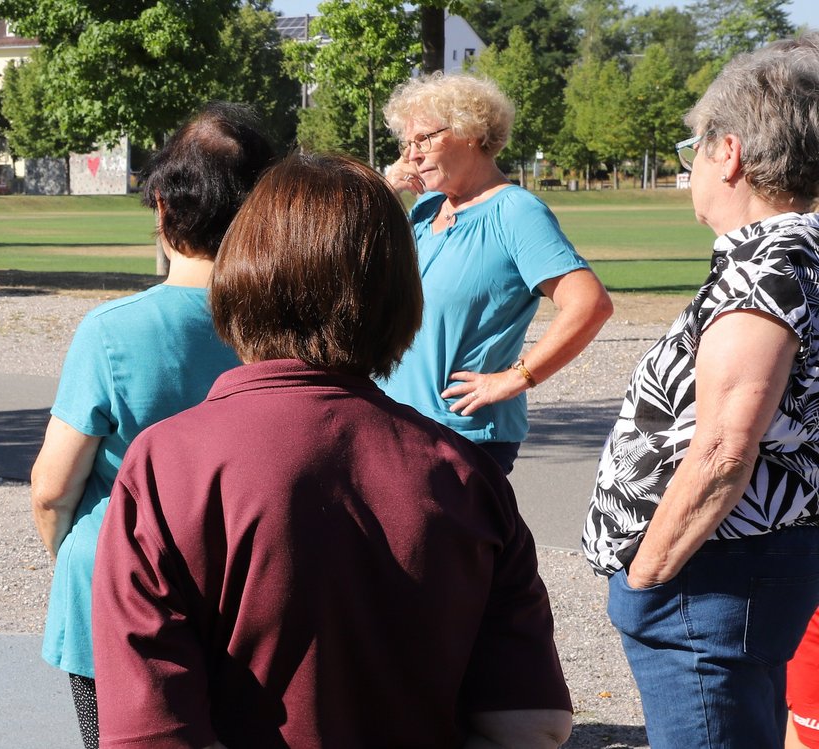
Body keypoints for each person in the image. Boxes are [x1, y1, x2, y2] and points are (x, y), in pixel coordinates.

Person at [92, 152, 572, 748]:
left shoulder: (167, 464)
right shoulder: (463, 473)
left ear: (244, 278)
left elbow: (150, 731)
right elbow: (530, 725)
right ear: (401, 296)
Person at [583, 34, 819, 748]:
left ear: (731, 153)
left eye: (695, 152)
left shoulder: (769, 272)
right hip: (737, 573)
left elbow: (722, 448)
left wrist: (646, 577)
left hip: (706, 586)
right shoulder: (791, 256)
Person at [28, 102, 275, 749]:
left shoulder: (112, 330)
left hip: (116, 583)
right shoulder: (291, 326)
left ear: (163, 208)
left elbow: (53, 487)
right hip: (249, 584)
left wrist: (83, 556)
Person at [381, 73, 614, 473]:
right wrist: (384, 190)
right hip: (393, 424)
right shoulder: (426, 208)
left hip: (458, 440)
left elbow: (589, 305)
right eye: (406, 144)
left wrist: (514, 378)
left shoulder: (515, 212)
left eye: (423, 139)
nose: (412, 156)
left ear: (469, 132)